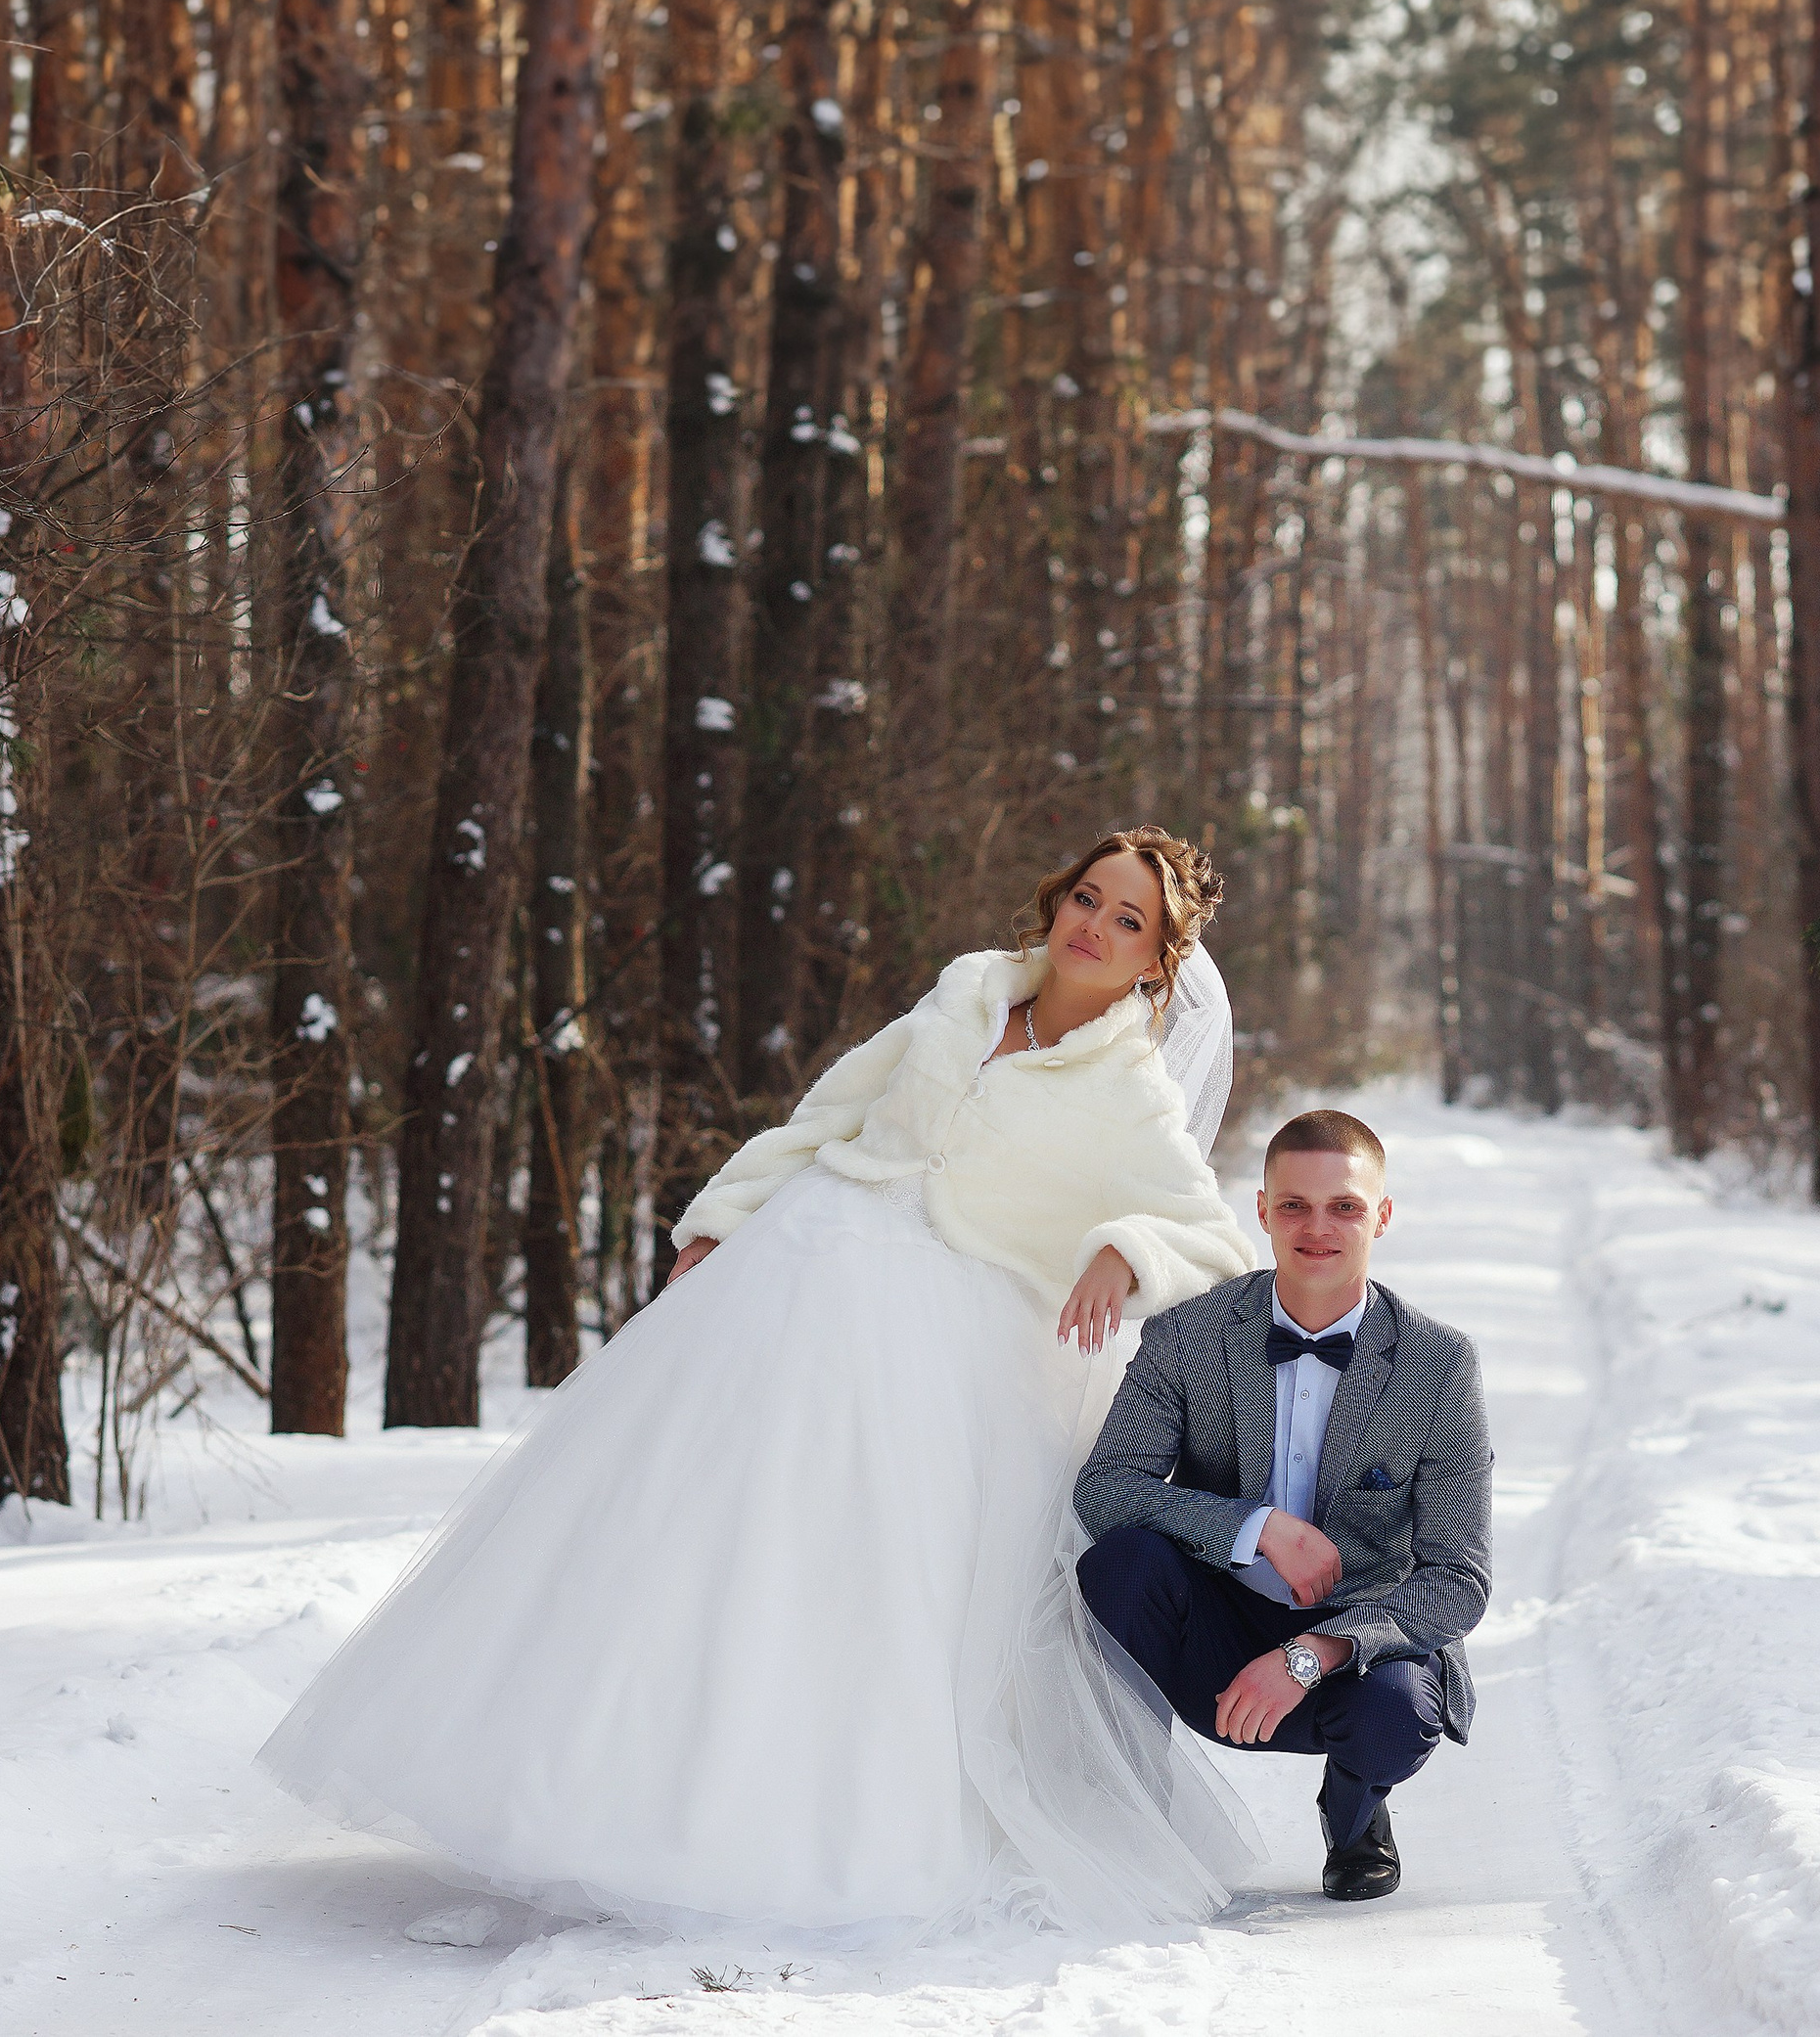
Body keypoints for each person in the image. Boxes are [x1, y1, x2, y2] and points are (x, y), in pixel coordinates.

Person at [259, 828, 1263, 1935]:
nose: (1095, 926)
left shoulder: (1129, 1089)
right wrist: (727, 1215)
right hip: (804, 1258)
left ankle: (794, 1826)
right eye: (1087, 896)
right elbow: (831, 1115)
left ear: (1155, 964)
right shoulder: (968, 992)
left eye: (1128, 920)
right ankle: (588, 1793)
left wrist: (1123, 1247)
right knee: (681, 1526)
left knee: (847, 1567)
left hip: (941, 1334)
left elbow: (1206, 1235)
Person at [1073, 1108, 1493, 1903]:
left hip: (1354, 1648)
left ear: (1383, 1216)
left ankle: (1355, 1808)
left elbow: (1458, 1580)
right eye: (1293, 1205)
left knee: (1396, 1712)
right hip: (1219, 1626)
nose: (1318, 1227)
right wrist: (1252, 1527)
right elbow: (1106, 1486)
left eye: (1345, 1206)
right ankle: (1132, 1808)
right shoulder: (1189, 1335)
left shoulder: (1438, 1364)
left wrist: (1314, 1654)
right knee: (1120, 1563)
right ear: (1261, 1211)